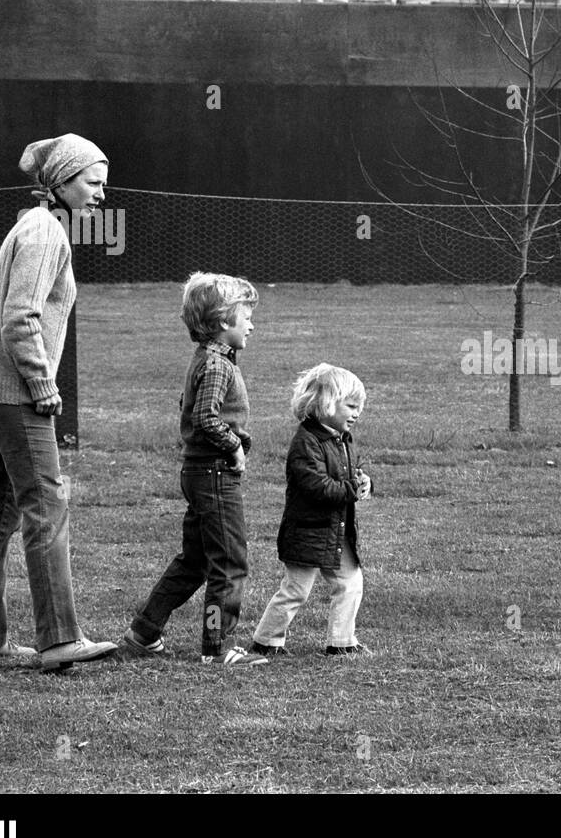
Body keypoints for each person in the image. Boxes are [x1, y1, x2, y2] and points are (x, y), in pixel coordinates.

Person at [0, 133, 118, 672]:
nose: (101, 192)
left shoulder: (31, 225)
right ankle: (58, 640)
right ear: (61, 181)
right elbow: (20, 317)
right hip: (15, 396)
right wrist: (42, 384)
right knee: (47, 508)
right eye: (92, 181)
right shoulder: (46, 232)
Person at [121, 272, 269, 666]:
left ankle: (144, 632)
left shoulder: (205, 359)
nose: (252, 324)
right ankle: (217, 648)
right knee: (230, 562)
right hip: (216, 474)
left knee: (196, 561)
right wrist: (234, 446)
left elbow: (188, 408)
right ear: (223, 322)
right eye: (246, 316)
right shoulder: (218, 365)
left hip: (199, 473)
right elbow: (205, 417)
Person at [250, 363, 374, 658]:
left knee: (350, 581)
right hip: (307, 530)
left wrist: (363, 479)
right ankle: (267, 640)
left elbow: (349, 470)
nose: (357, 414)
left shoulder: (343, 438)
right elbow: (315, 485)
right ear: (326, 404)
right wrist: (348, 491)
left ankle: (342, 642)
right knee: (296, 589)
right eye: (351, 406)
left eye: (360, 407)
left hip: (337, 528)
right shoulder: (306, 441)